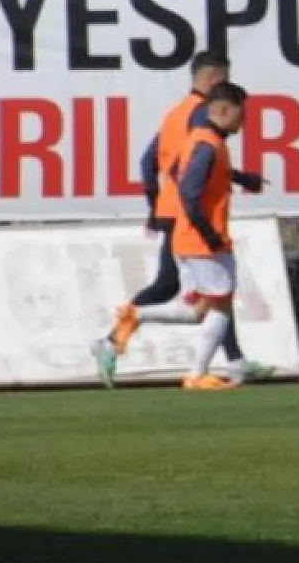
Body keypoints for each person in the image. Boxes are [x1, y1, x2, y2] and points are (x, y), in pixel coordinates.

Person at [92, 51, 262, 388]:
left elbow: (151, 162)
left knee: (198, 293)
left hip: (175, 212)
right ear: (215, 83)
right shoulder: (202, 116)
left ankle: (232, 361)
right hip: (193, 216)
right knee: (205, 294)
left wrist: (155, 208)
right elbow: (196, 165)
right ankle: (113, 339)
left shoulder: (176, 114)